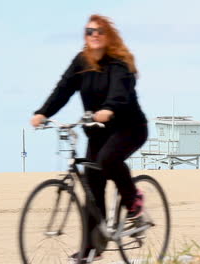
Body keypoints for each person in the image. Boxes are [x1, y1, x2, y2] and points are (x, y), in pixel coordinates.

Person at [31, 14, 148, 261]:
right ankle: (92, 246)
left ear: (108, 36)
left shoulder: (118, 63)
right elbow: (63, 90)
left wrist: (109, 109)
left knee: (107, 160)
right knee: (92, 186)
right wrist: (43, 112)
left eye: (99, 31)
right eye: (89, 31)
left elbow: (120, 92)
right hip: (97, 131)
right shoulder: (81, 61)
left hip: (129, 127)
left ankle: (133, 200)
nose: (94, 35)